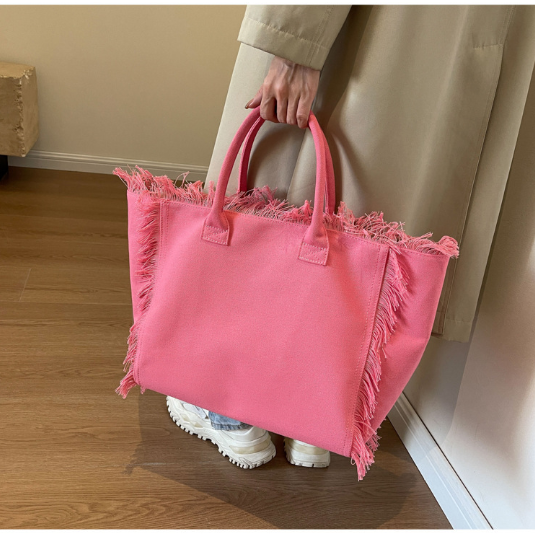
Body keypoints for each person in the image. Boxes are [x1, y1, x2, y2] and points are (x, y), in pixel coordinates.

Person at [168, 5, 535, 468]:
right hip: (462, 49)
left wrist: (295, 46)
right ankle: (312, 414)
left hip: (370, 31)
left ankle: (228, 410)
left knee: (272, 198)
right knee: (367, 227)